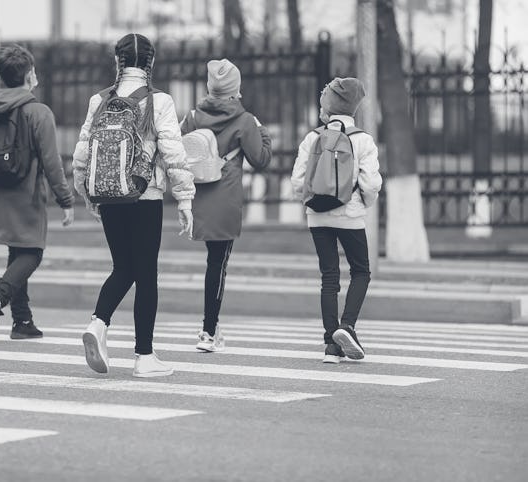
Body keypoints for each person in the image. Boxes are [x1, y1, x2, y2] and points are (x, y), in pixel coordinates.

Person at [72, 33, 195, 378]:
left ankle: (99, 322)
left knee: (123, 266)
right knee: (146, 274)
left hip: (108, 193)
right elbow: (173, 151)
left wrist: (86, 190)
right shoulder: (160, 101)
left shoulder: (99, 100)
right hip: (145, 195)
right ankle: (144, 356)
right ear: (151, 64)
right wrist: (184, 199)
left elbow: (82, 150)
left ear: (118, 62)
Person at [0, 45, 74, 343]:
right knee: (32, 252)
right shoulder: (38, 113)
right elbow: (51, 162)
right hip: (25, 193)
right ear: (30, 75)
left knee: (17, 250)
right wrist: (65, 200)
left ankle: (22, 320)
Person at [180, 59, 272, 352]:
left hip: (200, 197)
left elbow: (178, 149)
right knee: (218, 265)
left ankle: (210, 327)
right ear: (236, 89)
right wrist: (263, 133)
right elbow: (261, 159)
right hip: (226, 199)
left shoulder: (193, 116)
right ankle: (208, 331)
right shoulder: (245, 121)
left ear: (210, 86)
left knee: (214, 263)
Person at [290, 77, 383, 363]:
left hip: (317, 216)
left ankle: (331, 345)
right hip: (350, 215)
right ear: (354, 108)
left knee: (329, 277)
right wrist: (360, 204)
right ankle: (348, 326)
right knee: (361, 272)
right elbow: (370, 185)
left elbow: (297, 182)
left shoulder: (312, 137)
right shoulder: (363, 140)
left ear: (327, 106)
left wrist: (310, 203)